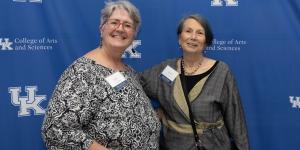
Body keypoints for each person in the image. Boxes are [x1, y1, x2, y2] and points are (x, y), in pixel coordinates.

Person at [41, 1, 160, 150]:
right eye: (114, 22)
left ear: (134, 34)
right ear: (102, 28)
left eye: (127, 25)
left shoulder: (128, 71)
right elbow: (55, 130)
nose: (120, 28)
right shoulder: (83, 72)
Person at [140, 14, 249, 150]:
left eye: (199, 33)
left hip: (214, 145)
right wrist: (154, 111)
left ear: (206, 42)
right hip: (175, 145)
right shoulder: (165, 69)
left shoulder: (222, 71)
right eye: (188, 31)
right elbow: (135, 86)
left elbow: (236, 119)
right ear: (180, 39)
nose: (193, 37)